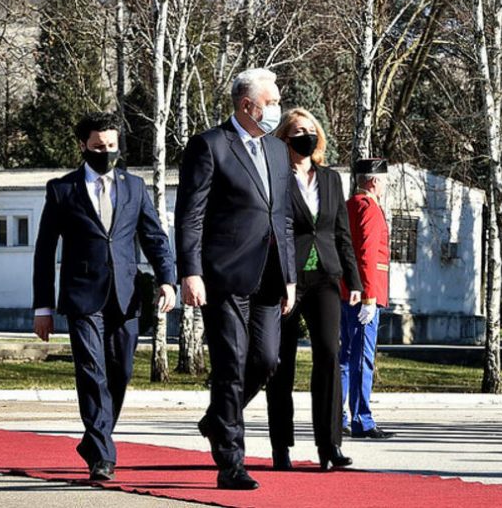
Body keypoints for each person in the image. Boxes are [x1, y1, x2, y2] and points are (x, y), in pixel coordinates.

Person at [32, 111, 176, 481]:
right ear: (83, 146)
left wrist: (167, 280)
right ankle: (102, 455)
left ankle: (94, 439)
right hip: (82, 298)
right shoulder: (62, 190)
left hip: (126, 297)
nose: (106, 152)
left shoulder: (134, 186)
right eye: (98, 147)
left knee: (120, 372)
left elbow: (155, 238)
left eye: (112, 146)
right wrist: (42, 307)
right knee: (91, 371)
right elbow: (45, 250)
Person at [175, 68, 297, 489]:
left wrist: (291, 277)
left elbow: (281, 216)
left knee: (265, 360)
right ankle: (231, 462)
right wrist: (190, 272)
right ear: (248, 105)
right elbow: (189, 216)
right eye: (272, 101)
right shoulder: (210, 146)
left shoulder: (278, 152)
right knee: (230, 364)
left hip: (269, 275)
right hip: (223, 275)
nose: (277, 108)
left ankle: (216, 418)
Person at [266, 109, 362, 471]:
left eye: (310, 131)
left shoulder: (331, 179)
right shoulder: (274, 178)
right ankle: (281, 446)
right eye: (296, 131)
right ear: (284, 138)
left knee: (328, 354)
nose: (304, 136)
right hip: (284, 278)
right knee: (281, 362)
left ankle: (329, 444)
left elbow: (341, 232)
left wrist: (354, 279)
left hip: (324, 276)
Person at [340, 158, 395, 439]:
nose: (385, 186)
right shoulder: (370, 209)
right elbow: (366, 255)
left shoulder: (349, 206)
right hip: (365, 294)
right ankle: (362, 419)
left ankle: (338, 417)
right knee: (362, 357)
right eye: (384, 180)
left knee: (346, 357)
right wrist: (369, 297)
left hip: (347, 291)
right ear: (373, 181)